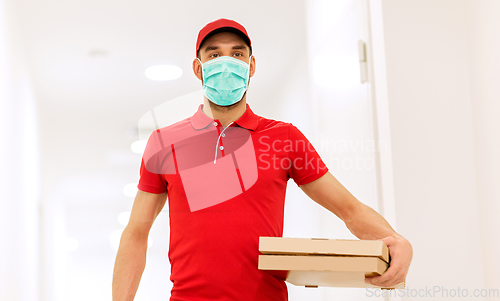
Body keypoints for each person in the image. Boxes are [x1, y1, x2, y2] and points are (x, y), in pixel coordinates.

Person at [112, 18, 413, 301]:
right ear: (198, 67)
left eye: (237, 54)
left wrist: (395, 240)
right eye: (214, 55)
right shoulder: (164, 142)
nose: (226, 63)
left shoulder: (284, 138)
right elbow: (137, 232)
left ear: (251, 65)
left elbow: (349, 210)